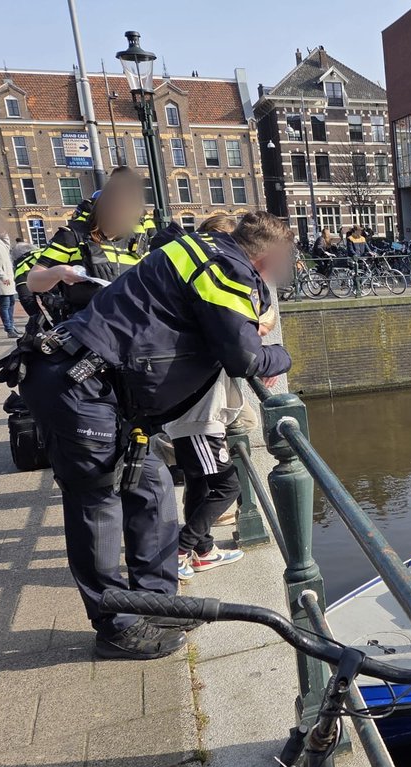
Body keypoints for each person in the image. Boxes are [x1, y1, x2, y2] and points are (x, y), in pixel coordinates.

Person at [4, 212, 294, 660]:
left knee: (153, 487)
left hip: (112, 391)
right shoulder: (228, 268)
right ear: (269, 258)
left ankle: (158, 604)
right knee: (97, 505)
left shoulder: (199, 247)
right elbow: (245, 357)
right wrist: (282, 355)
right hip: (83, 388)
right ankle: (115, 627)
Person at [166, 213, 248, 579]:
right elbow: (245, 337)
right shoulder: (209, 291)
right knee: (227, 484)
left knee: (199, 481)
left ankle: (203, 550)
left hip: (194, 408)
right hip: (198, 414)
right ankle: (182, 549)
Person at [27, 170, 146, 317]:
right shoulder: (72, 236)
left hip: (129, 326)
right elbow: (33, 282)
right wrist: (59, 272)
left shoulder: (136, 239)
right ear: (104, 206)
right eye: (118, 211)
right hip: (86, 327)